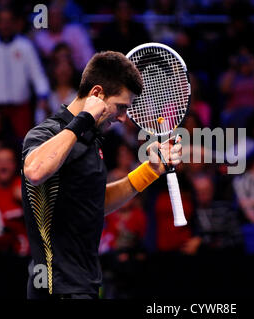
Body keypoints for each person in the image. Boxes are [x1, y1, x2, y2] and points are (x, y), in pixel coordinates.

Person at [21, 51, 182, 299]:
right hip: (56, 288)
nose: (122, 117)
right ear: (96, 94)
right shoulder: (47, 133)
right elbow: (35, 171)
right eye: (120, 107)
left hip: (83, 284)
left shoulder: (91, 140)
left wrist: (149, 171)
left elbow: (96, 203)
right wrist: (83, 119)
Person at [0, 7, 50, 139]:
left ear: (14, 23)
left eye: (8, 21)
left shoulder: (25, 46)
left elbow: (38, 75)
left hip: (20, 109)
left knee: (23, 147)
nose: (5, 25)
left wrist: (43, 96)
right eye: (1, 21)